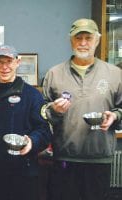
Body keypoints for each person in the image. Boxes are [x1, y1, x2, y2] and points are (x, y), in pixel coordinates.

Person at [42, 18, 122, 200]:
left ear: (97, 40)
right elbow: (42, 112)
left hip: (99, 158)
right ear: (71, 41)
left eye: (88, 37)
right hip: (64, 157)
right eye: (78, 38)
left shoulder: (115, 74)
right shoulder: (54, 73)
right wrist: (53, 110)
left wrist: (115, 116)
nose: (83, 43)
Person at [0, 44, 52, 200]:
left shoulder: (33, 95)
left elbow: (44, 130)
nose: (5, 67)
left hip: (23, 169)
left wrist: (31, 142)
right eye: (0, 62)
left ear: (17, 62)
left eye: (9, 61)